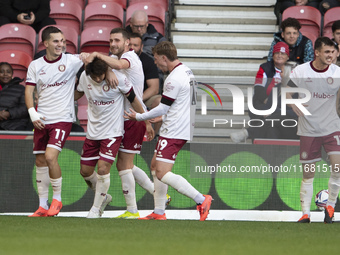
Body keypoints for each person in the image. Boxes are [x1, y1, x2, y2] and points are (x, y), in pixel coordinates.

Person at [124, 41, 213, 221]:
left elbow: (164, 107)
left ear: (164, 58)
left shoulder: (174, 78)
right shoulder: (187, 72)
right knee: (155, 166)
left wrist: (140, 116)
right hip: (178, 126)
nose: (156, 63)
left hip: (174, 130)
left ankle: (201, 199)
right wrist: (162, 118)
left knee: (162, 172)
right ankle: (158, 212)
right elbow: (183, 104)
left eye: (157, 60)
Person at [85, 28, 167, 219]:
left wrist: (97, 55)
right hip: (122, 118)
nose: (113, 44)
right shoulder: (112, 61)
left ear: (127, 43)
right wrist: (105, 68)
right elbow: (104, 66)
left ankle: (133, 210)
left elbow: (120, 65)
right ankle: (155, 194)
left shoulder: (129, 57)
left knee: (124, 165)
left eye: (117, 40)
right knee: (124, 165)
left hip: (132, 116)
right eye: (110, 40)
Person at [25, 26, 93, 217]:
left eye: (63, 41)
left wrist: (90, 58)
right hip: (41, 119)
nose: (60, 44)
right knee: (40, 160)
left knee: (49, 157)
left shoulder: (71, 60)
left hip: (62, 119)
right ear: (45, 43)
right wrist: (33, 113)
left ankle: (57, 200)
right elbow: (29, 91)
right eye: (56, 41)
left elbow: (92, 58)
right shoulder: (36, 65)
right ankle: (42, 206)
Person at [75, 57, 148, 218]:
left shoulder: (119, 80)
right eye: (95, 77)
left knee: (103, 169)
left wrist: (145, 120)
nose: (98, 79)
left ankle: (95, 209)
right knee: (85, 171)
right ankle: (104, 197)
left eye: (101, 76)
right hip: (93, 132)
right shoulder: (85, 77)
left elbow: (135, 100)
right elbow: (76, 94)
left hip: (113, 132)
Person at [286, 37, 340, 223]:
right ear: (317, 52)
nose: (330, 56)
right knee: (308, 173)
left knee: (338, 167)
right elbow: (286, 91)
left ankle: (330, 207)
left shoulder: (337, 72)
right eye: (326, 52)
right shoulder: (301, 71)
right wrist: (294, 105)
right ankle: (305, 214)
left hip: (332, 127)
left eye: (333, 52)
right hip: (309, 129)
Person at [231, 42, 299, 143]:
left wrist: (275, 113)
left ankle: (248, 133)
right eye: (280, 72)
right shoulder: (276, 88)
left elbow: (296, 113)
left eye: (283, 72)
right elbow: (267, 105)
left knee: (276, 118)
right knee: (271, 129)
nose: (280, 74)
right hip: (277, 124)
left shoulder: (299, 89)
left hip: (294, 126)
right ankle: (269, 154)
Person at [129, 33, 160, 109]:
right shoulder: (118, 59)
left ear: (141, 47)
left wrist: (136, 100)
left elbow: (154, 88)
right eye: (129, 45)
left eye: (135, 45)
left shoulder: (148, 61)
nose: (132, 48)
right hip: (120, 98)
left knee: (159, 101)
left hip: (143, 97)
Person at [0, 62, 29, 131]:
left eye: (8, 72)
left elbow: (25, 108)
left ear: (12, 74)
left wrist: (9, 113)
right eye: (1, 72)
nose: (5, 74)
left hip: (15, 125)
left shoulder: (21, 89)